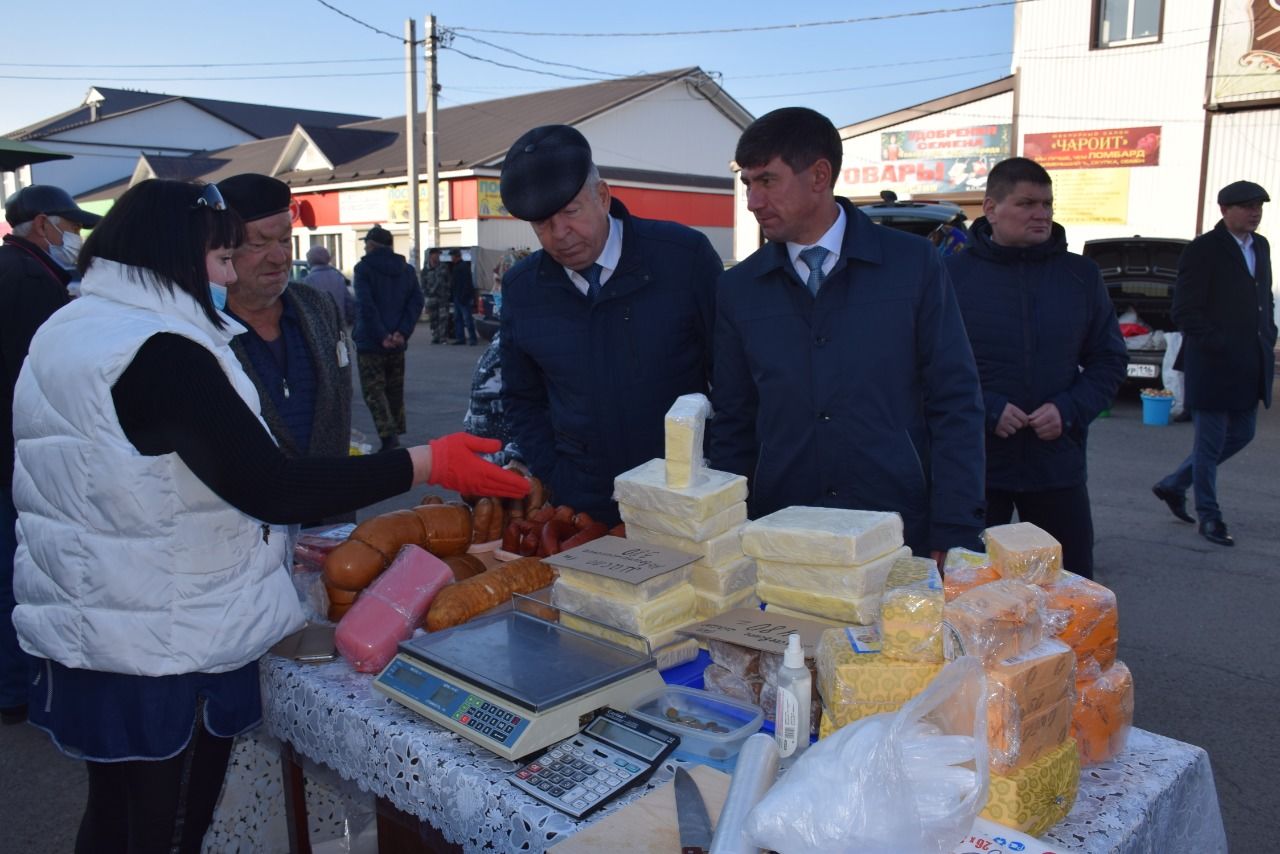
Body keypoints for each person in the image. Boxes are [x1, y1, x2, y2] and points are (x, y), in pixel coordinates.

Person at [9, 179, 528, 854]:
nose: (231, 276)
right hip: (167, 639)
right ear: (178, 254)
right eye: (223, 259)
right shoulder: (160, 349)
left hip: (102, 619)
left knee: (115, 818)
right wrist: (427, 462)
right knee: (165, 832)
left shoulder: (72, 326)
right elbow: (269, 484)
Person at [708, 107, 987, 560]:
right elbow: (734, 421)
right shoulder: (739, 288)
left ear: (819, 175)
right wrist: (724, 528)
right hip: (782, 529)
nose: (753, 201)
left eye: (767, 181)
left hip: (896, 528)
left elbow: (956, 401)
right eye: (748, 185)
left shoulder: (913, 266)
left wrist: (954, 529)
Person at [499, 124, 720, 523]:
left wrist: (716, 469)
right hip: (585, 505)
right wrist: (557, 474)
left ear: (602, 196)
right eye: (541, 225)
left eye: (570, 213)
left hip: (686, 497)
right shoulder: (523, 288)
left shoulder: (683, 259)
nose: (560, 235)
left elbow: (732, 378)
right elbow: (522, 397)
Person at [946, 157, 1127, 578]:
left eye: (1047, 204)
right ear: (991, 209)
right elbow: (925, 367)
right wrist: (986, 408)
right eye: (1027, 203)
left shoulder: (1080, 275)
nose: (1041, 214)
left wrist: (1069, 409)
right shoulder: (951, 277)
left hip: (1055, 466)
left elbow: (1109, 358)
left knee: (1068, 590)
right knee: (969, 591)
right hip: (975, 466)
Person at [0, 185, 101, 726]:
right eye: (72, 225)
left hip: (15, 448)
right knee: (20, 575)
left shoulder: (18, 267)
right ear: (43, 224)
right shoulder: (32, 280)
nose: (77, 237)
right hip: (20, 452)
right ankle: (18, 689)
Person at [1153, 180, 1276, 547]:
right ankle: (1210, 517)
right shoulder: (1204, 249)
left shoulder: (1262, 246)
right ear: (1224, 210)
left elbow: (1261, 297)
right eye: (1246, 205)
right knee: (1209, 444)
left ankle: (1174, 484)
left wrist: (1268, 333)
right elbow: (1184, 311)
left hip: (1250, 360)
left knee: (1243, 433)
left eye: (1259, 206)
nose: (1254, 212)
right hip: (1213, 362)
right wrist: (1218, 343)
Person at [217, 173, 352, 462]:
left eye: (285, 240)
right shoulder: (200, 321)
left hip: (331, 500)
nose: (280, 257)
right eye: (259, 243)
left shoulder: (319, 306)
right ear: (223, 249)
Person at [352, 224, 425, 451]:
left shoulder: (363, 269)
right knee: (394, 389)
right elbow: (416, 302)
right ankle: (395, 434)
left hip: (371, 342)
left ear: (372, 245)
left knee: (374, 391)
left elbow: (366, 305)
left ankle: (388, 437)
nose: (365, 247)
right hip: (397, 342)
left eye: (366, 243)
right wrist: (401, 333)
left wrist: (381, 335)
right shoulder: (407, 269)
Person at [303, 244, 355, 327]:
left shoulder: (309, 280)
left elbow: (306, 307)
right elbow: (348, 302)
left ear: (310, 260)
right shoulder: (338, 277)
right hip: (339, 325)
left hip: (319, 326)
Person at [420, 247, 452, 343]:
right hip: (431, 298)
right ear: (431, 256)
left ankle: (442, 338)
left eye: (439, 255)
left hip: (443, 298)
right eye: (436, 255)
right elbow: (423, 284)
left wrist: (447, 290)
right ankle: (435, 337)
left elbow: (449, 280)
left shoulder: (443, 267)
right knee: (433, 318)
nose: (438, 256)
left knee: (443, 318)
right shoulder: (425, 269)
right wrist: (427, 295)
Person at [451, 250, 478, 345]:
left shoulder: (462, 267)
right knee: (459, 318)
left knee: (466, 318)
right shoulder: (459, 266)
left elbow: (466, 283)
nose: (451, 258)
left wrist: (463, 296)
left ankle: (472, 339)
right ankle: (461, 338)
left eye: (452, 256)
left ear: (456, 256)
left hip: (462, 297)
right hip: (458, 296)